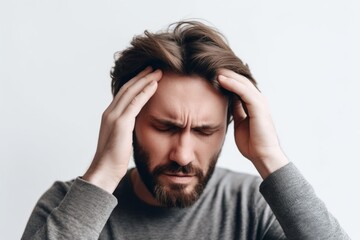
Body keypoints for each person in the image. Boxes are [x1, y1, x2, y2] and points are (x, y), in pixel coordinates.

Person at [22, 21, 350, 240]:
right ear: (127, 122)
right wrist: (104, 173)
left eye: (205, 131)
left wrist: (270, 157)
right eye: (165, 127)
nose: (182, 155)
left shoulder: (253, 206)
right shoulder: (66, 206)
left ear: (228, 127)